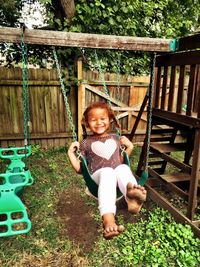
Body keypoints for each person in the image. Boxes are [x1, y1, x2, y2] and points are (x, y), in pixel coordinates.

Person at [67, 102, 147, 239]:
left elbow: (121, 160)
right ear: (87, 123)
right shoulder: (85, 143)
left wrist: (130, 147)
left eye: (102, 118)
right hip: (97, 178)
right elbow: (80, 169)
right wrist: (70, 153)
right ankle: (108, 219)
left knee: (122, 168)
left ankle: (132, 198)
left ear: (110, 119)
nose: (98, 122)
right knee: (108, 172)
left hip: (116, 179)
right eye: (93, 120)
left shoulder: (116, 139)